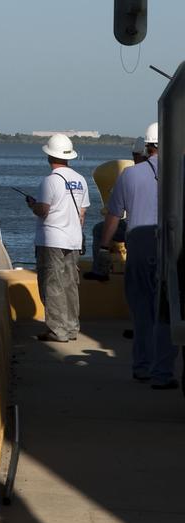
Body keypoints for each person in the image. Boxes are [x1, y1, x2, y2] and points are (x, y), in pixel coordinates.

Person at [98, 122, 177, 389]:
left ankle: (142, 366)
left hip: (139, 249)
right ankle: (162, 373)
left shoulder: (130, 176)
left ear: (147, 146)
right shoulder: (180, 172)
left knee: (142, 313)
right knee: (167, 312)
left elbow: (113, 216)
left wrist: (103, 247)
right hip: (172, 249)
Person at [26, 133, 89, 343]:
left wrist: (32, 205)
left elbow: (43, 210)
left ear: (49, 157)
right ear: (68, 156)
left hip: (51, 239)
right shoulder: (80, 180)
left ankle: (57, 330)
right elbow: (82, 214)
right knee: (70, 283)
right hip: (73, 239)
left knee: (51, 284)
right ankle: (71, 327)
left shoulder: (49, 181)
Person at [84, 137, 144, 282]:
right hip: (156, 230)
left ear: (137, 155)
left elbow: (115, 212)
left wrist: (104, 247)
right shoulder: (165, 173)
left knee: (99, 230)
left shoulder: (129, 175)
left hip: (133, 230)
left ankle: (100, 270)